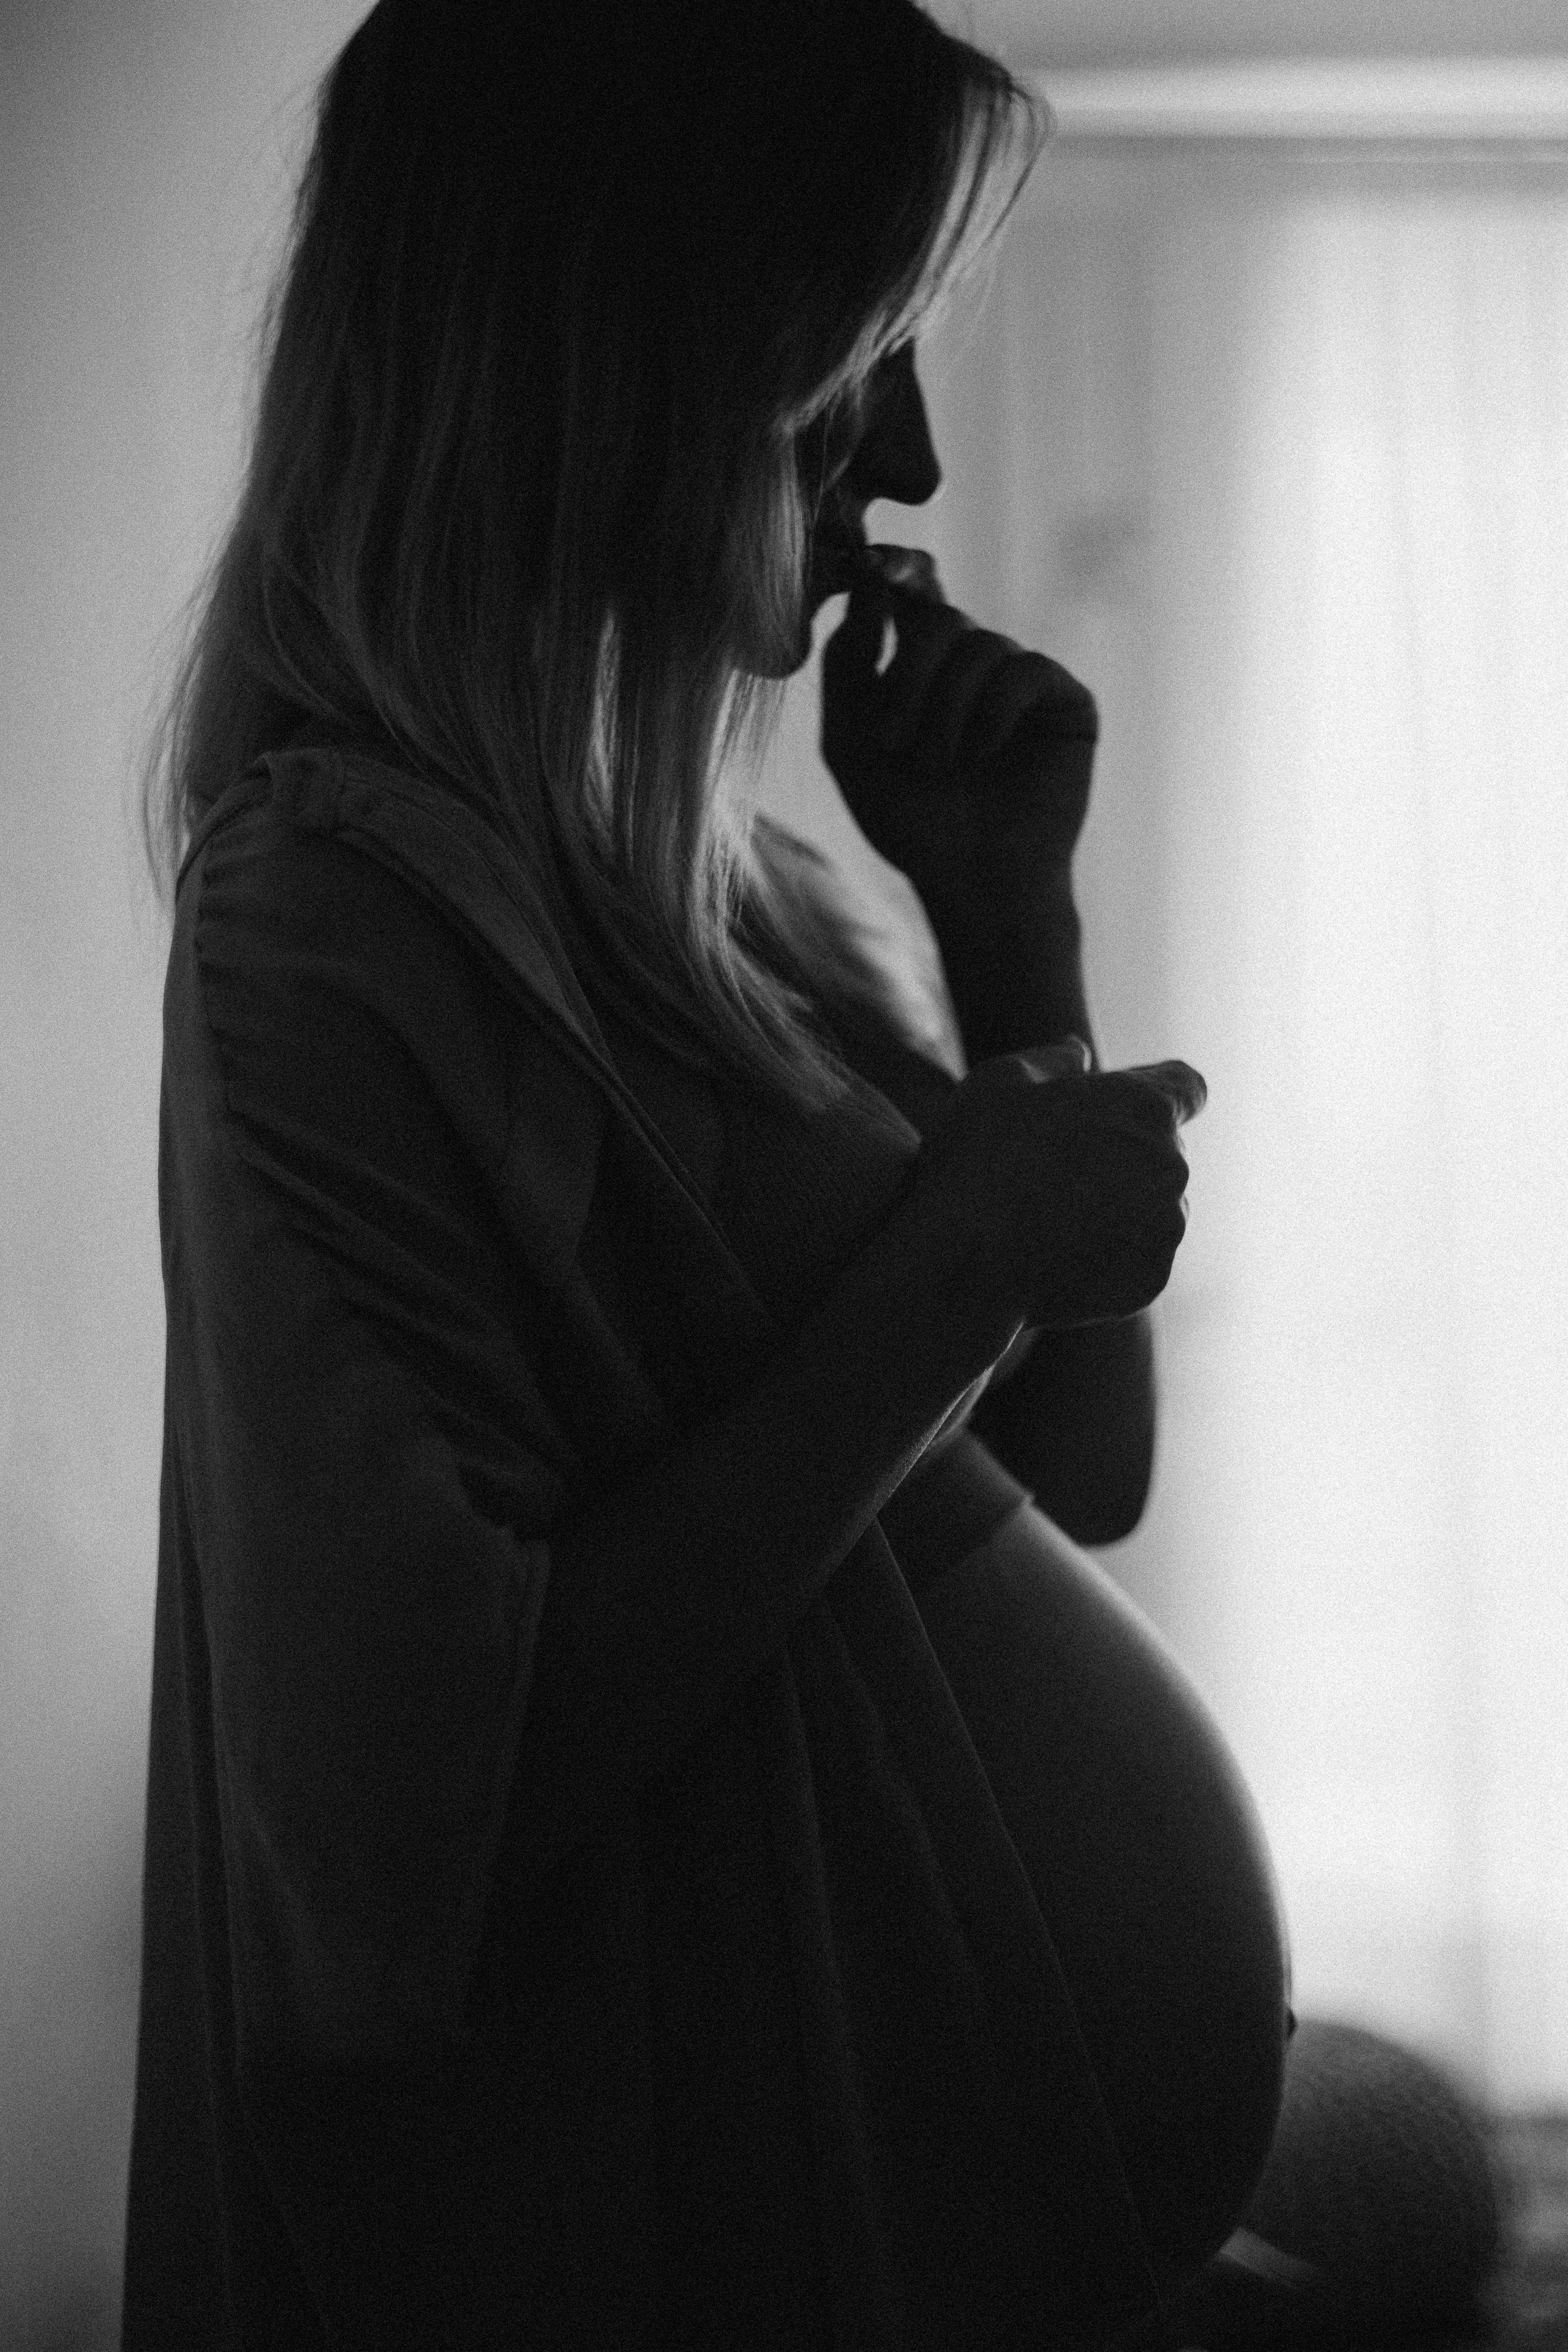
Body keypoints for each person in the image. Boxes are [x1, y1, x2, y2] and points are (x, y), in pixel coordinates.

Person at [123, 3, 1498, 2346]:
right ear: (621, 364)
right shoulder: (338, 916)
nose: (919, 451)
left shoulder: (743, 888)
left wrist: (1007, 929)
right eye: (858, 355)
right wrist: (959, 1256)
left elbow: (1082, 1467)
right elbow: (383, 1874)